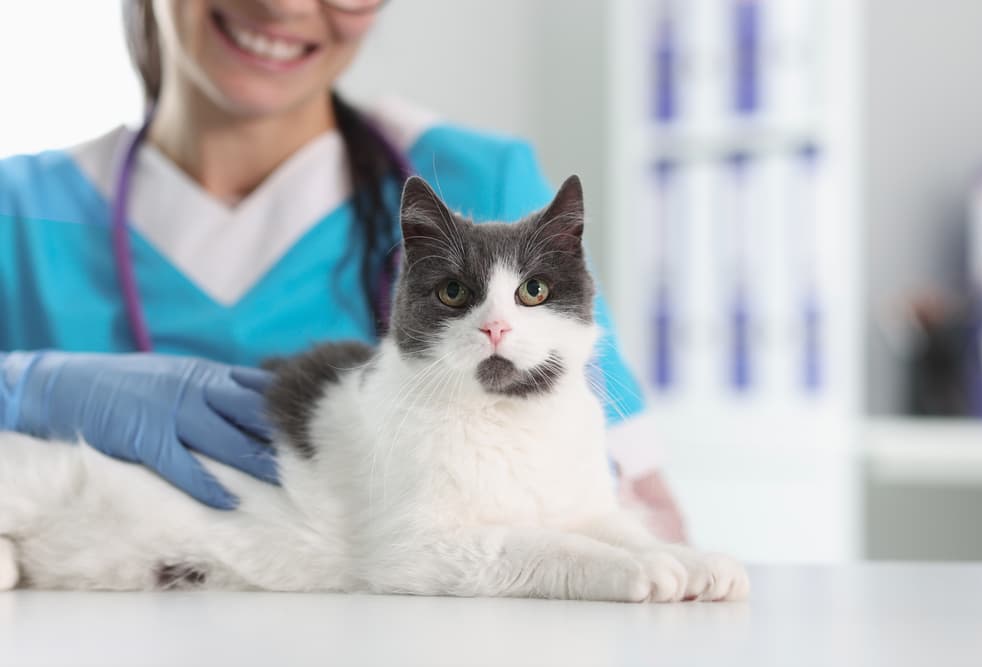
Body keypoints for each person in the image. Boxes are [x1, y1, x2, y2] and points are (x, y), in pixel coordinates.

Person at [0, 0, 686, 540]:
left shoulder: (484, 186)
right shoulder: (19, 210)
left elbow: (635, 514)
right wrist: (24, 390)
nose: (284, 5)